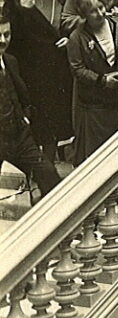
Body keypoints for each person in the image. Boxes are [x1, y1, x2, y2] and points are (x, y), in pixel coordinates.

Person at [4, 0, 74, 164]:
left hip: (52, 66)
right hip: (31, 68)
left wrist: (68, 39)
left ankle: (48, 164)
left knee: (51, 120)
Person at [0, 12, 62, 200]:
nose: (2, 40)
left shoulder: (10, 61)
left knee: (49, 175)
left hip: (19, 138)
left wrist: (25, 117)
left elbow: (22, 96)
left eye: (6, 34)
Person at [66, 0, 118, 164]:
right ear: (84, 15)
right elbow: (77, 69)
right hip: (95, 106)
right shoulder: (77, 37)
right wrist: (102, 80)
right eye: (93, 11)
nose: (100, 13)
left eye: (101, 7)